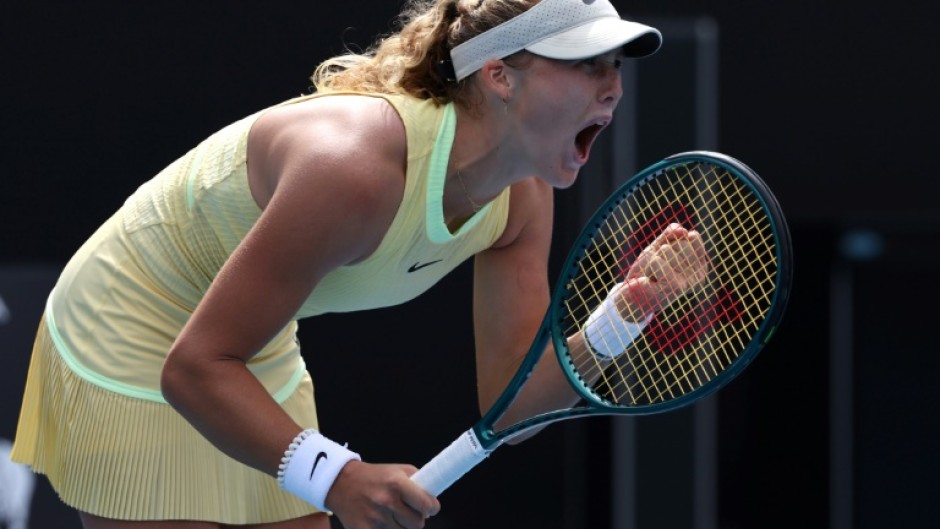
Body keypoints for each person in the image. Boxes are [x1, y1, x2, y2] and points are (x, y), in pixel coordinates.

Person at [11, 0, 707, 528]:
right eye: (586, 63)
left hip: (247, 343)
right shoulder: (357, 169)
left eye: (615, 66)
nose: (612, 86)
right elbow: (193, 366)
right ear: (500, 76)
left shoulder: (520, 198)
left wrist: (627, 311)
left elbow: (514, 404)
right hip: (128, 325)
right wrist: (338, 474)